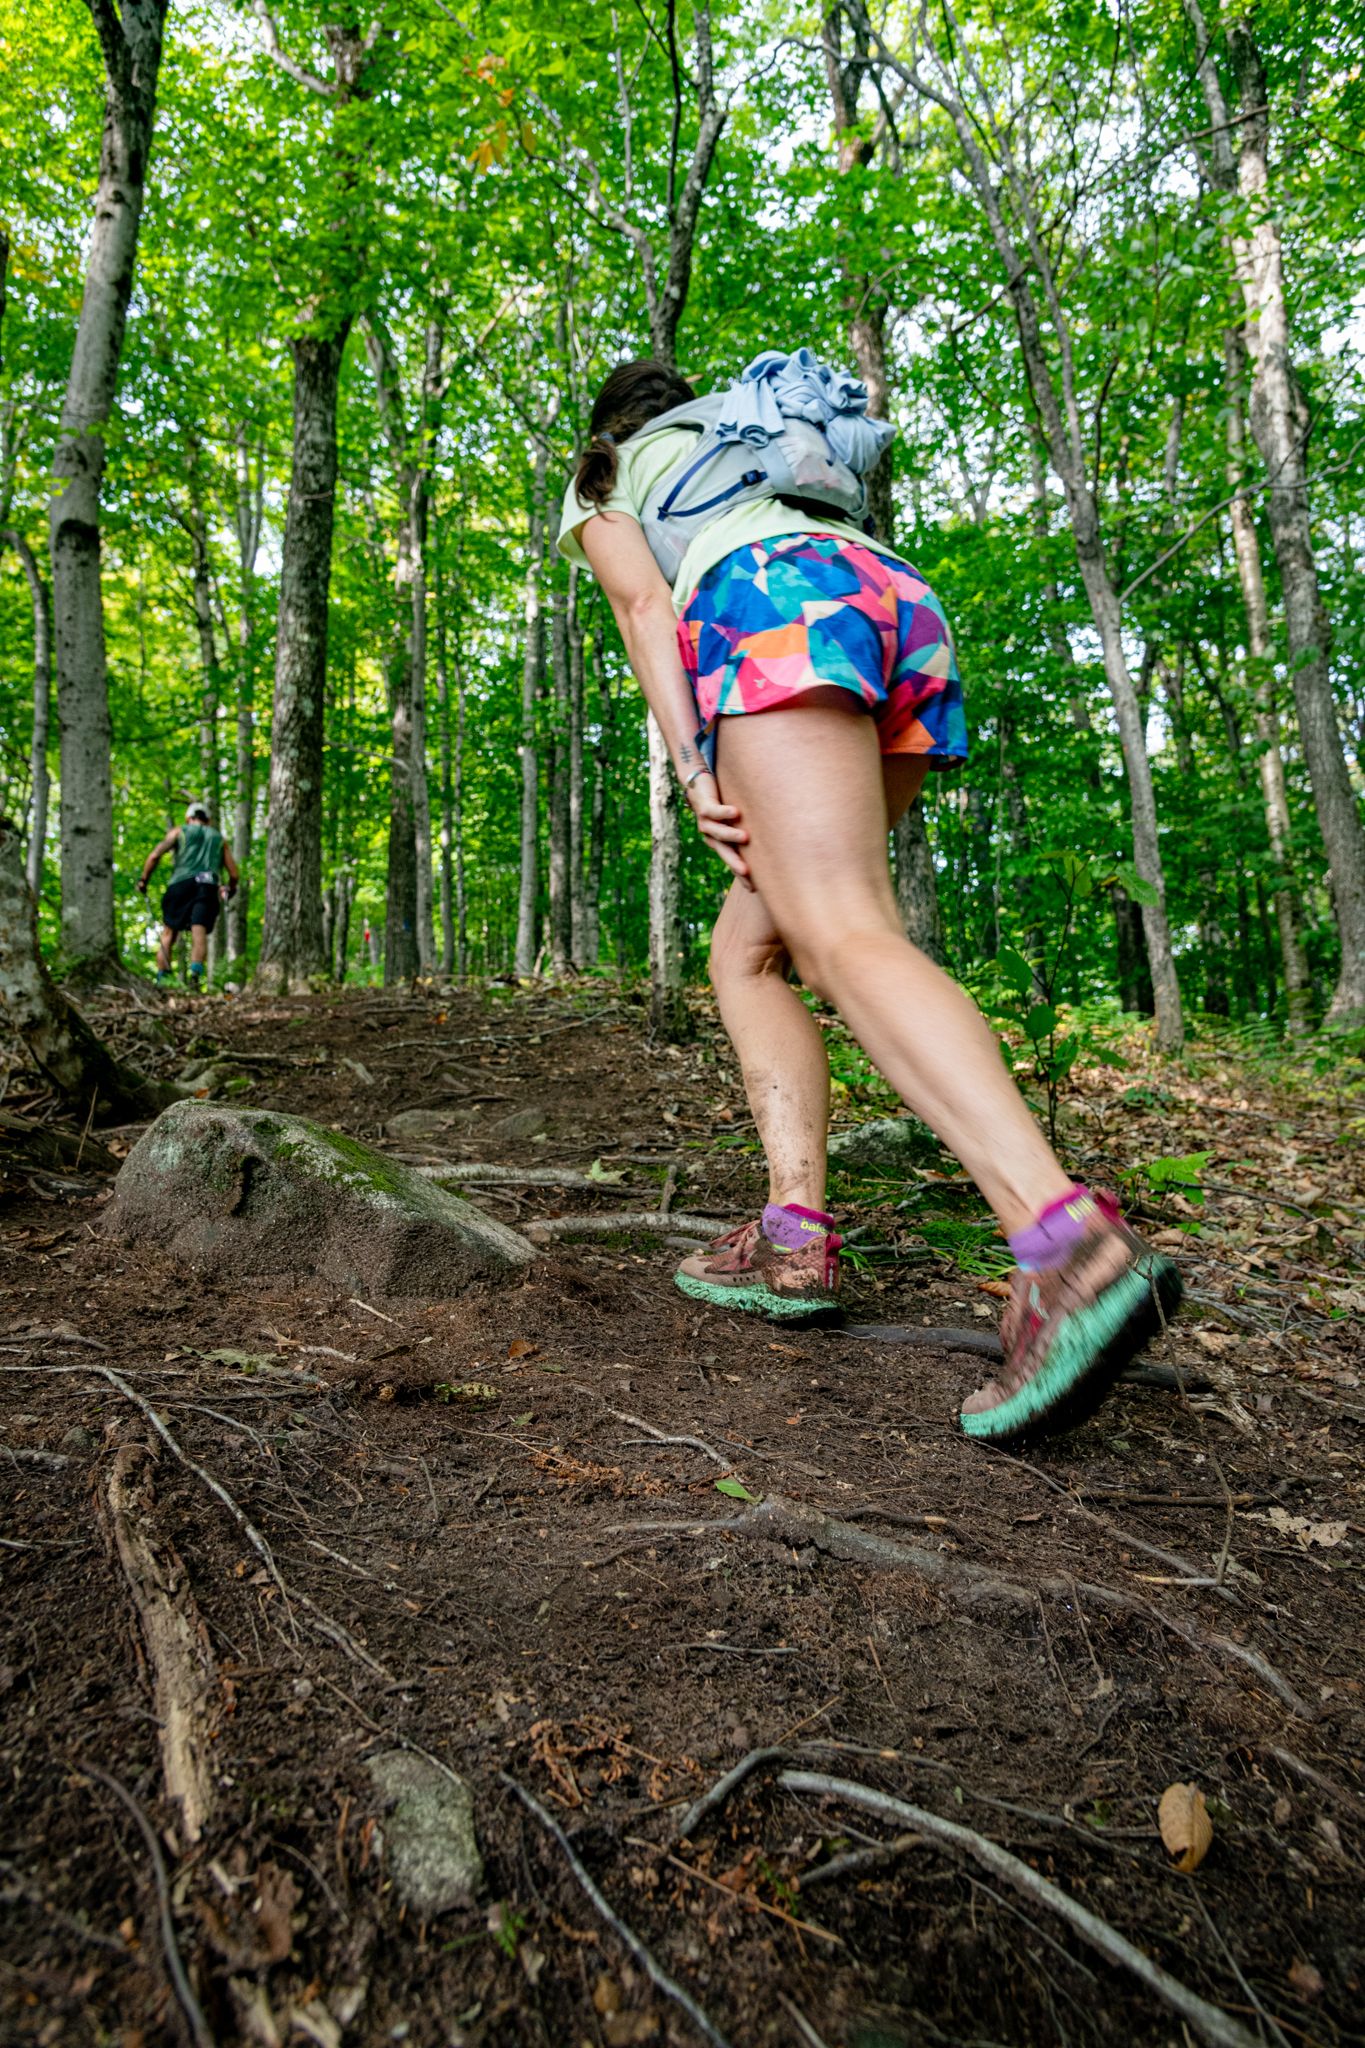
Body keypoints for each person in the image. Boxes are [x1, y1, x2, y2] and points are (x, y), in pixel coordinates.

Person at [558, 356, 1181, 1445]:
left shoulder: (607, 472)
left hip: (776, 605)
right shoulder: (744, 442)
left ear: (607, 425)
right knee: (752, 952)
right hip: (894, 603)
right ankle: (794, 1230)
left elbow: (644, 604)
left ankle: (1065, 1241)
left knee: (846, 929)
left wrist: (695, 769)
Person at [138, 802, 238, 992]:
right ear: (208, 820)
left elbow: (155, 856)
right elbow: (234, 874)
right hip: (208, 886)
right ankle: (195, 975)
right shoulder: (218, 838)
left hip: (180, 884)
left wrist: (144, 880)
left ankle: (163, 979)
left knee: (169, 932)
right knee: (198, 930)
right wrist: (230, 889)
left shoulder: (179, 831)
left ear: (188, 818)